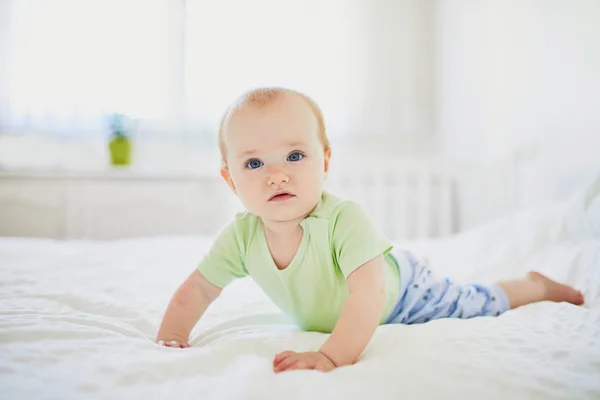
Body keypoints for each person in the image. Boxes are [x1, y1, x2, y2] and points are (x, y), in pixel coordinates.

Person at [156, 87, 585, 373]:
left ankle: (535, 287)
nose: (277, 176)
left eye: (294, 156)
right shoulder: (240, 237)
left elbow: (368, 296)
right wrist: (172, 337)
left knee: (471, 301)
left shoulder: (343, 219)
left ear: (324, 162)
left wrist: (331, 356)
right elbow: (197, 290)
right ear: (230, 180)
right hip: (374, 284)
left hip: (401, 295)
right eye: (253, 163)